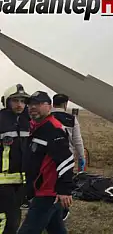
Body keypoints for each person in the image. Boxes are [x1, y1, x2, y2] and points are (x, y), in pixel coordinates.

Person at [17, 91, 74, 234]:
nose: (32, 107)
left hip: (47, 192)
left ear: (49, 107)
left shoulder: (53, 129)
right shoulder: (36, 126)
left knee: (28, 230)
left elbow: (66, 159)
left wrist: (64, 190)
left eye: (37, 104)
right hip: (42, 191)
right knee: (56, 229)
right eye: (30, 104)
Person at [0, 84, 31, 234]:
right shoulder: (1, 120)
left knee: (14, 218)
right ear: (7, 101)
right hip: (2, 181)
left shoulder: (28, 122)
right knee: (6, 220)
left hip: (21, 181)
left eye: (23, 101)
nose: (20, 105)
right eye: (15, 100)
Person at [51, 93, 85, 221]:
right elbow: (77, 140)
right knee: (64, 184)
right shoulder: (71, 119)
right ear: (66, 104)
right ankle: (63, 211)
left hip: (49, 157)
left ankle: (51, 208)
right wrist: (82, 156)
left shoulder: (48, 117)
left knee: (50, 183)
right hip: (67, 158)